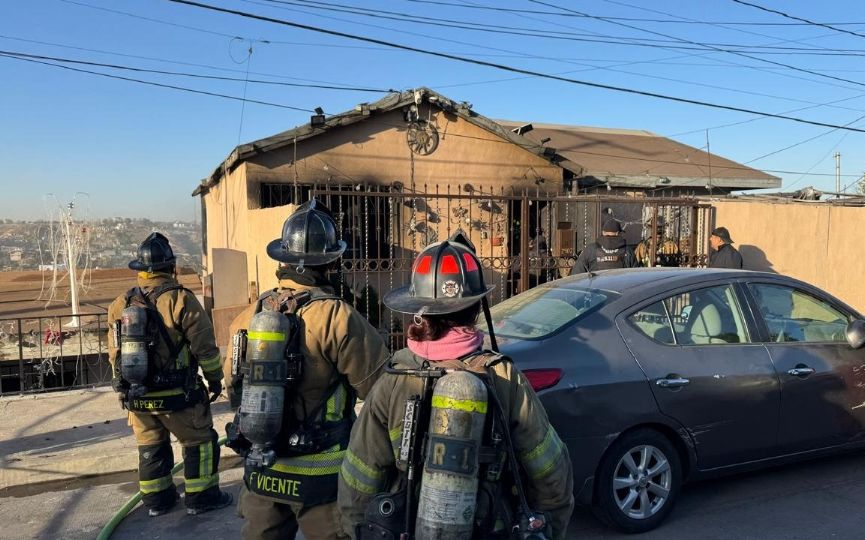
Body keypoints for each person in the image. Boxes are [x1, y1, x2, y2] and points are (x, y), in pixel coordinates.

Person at [338, 233, 575, 539]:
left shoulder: (396, 377)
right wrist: (552, 528)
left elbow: (360, 475)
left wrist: (352, 531)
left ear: (418, 310)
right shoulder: (501, 375)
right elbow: (549, 468)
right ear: (476, 308)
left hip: (408, 529)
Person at [225, 199, 389, 540]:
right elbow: (379, 392)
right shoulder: (336, 316)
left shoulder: (250, 314)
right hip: (320, 476)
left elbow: (233, 386)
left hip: (263, 469)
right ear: (330, 263)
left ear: (283, 260)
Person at [107, 232, 231, 517]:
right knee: (199, 442)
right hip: (179, 397)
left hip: (137, 397)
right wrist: (214, 380)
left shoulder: (120, 304)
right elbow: (205, 348)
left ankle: (157, 502)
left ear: (139, 269)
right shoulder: (181, 300)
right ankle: (201, 498)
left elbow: (113, 353)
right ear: (171, 267)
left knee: (150, 446)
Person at [570, 217, 639, 274]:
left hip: (596, 289)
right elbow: (635, 276)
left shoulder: (591, 250)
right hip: (620, 289)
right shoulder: (627, 251)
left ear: (603, 232)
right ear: (618, 233)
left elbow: (577, 274)